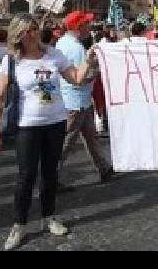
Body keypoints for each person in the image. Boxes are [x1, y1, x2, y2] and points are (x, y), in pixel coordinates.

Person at [0, 14, 98, 251]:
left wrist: (89, 61)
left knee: (50, 174)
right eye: (27, 30)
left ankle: (49, 217)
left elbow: (77, 79)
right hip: (27, 125)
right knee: (26, 176)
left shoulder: (54, 54)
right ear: (17, 34)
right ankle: (19, 225)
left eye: (35, 29)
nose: (33, 34)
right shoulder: (12, 61)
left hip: (56, 122)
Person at [57, 11, 114, 191]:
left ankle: (104, 167)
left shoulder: (63, 43)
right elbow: (83, 75)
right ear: (79, 27)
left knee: (91, 137)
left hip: (78, 100)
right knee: (66, 143)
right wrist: (99, 71)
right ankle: (51, 176)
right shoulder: (76, 48)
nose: (90, 26)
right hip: (75, 102)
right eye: (87, 24)